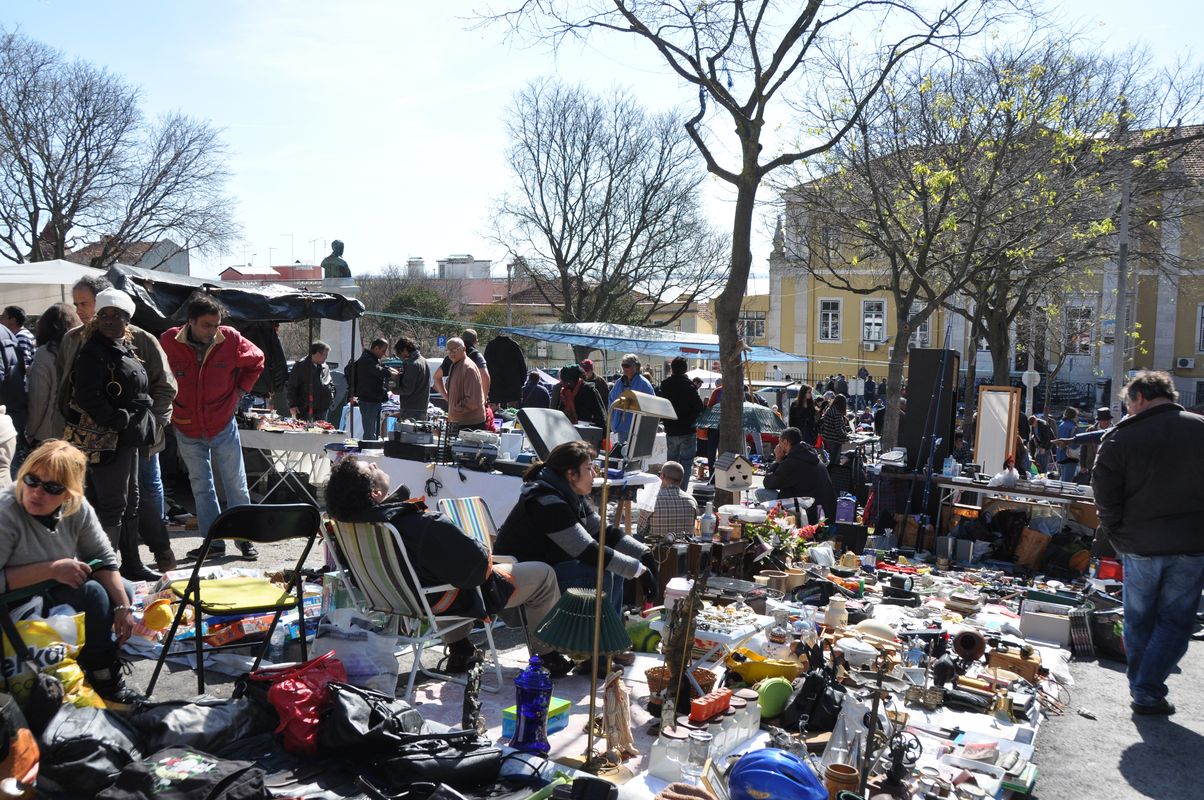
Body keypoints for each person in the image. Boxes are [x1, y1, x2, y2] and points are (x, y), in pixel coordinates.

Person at [325, 456, 574, 676]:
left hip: (393, 599)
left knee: (439, 568)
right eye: (371, 467)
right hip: (438, 600)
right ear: (375, 494)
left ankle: (460, 648)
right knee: (543, 574)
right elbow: (478, 566)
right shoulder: (415, 523)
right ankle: (547, 655)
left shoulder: (346, 527)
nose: (376, 464)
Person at [1091, 371, 1204, 716]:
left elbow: (1103, 489)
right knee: (1176, 621)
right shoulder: (1199, 428)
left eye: (1127, 403)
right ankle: (1147, 689)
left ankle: (1144, 687)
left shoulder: (1123, 437)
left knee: (1139, 619)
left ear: (1140, 397)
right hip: (1191, 543)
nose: (1128, 409)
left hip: (1139, 544)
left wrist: (1115, 531)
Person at [0, 440, 139, 701]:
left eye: (52, 487)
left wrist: (124, 608)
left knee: (124, 591)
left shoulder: (76, 508)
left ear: (69, 493)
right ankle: (105, 679)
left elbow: (104, 558)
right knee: (94, 594)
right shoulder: (6, 511)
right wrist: (50, 569)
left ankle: (89, 665)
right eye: (31, 480)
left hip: (46, 589)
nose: (37, 492)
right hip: (11, 602)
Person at [59, 277, 178, 575]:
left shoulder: (129, 344)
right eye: (104, 315)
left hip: (130, 439)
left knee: (132, 501)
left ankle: (132, 565)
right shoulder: (90, 347)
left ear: (127, 319)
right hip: (105, 440)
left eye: (116, 315)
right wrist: (118, 420)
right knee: (112, 505)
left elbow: (161, 386)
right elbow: (85, 395)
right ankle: (105, 572)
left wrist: (153, 424)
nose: (109, 320)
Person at [496, 441, 657, 619]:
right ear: (571, 474)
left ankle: (610, 635)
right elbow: (586, 550)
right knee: (600, 572)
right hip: (519, 581)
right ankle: (597, 641)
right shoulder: (546, 501)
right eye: (589, 468)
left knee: (615, 570)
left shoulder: (567, 493)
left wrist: (643, 554)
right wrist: (639, 570)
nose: (595, 475)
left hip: (547, 568)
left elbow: (604, 533)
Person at [161, 294, 264, 561]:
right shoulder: (168, 342)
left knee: (235, 483)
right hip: (186, 425)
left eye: (216, 324)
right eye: (207, 325)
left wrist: (240, 391)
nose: (213, 330)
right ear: (190, 322)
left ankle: (245, 540)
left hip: (222, 422)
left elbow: (257, 361)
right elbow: (157, 375)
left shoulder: (229, 338)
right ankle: (213, 543)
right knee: (201, 486)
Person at [754, 428, 835, 524]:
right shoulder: (809, 454)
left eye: (779, 442)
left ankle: (778, 523)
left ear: (785, 442)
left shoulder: (793, 461)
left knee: (761, 492)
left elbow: (768, 483)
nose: (777, 446)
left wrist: (778, 460)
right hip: (825, 509)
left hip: (810, 511)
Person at [26, 302, 80, 447]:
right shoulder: (80, 347)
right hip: (78, 429)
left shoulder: (45, 353)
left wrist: (30, 432)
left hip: (49, 434)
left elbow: (38, 399)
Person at [659, 357, 704, 468]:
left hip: (671, 429)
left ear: (672, 369)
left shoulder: (665, 385)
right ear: (685, 369)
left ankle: (671, 485)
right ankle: (682, 486)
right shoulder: (689, 386)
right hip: (687, 429)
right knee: (686, 464)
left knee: (671, 465)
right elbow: (699, 407)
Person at [345, 337, 394, 439]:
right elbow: (378, 371)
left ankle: (371, 447)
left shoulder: (372, 359)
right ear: (376, 348)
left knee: (374, 432)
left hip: (374, 400)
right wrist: (390, 372)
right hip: (368, 401)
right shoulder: (367, 359)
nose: (384, 354)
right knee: (370, 432)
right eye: (383, 351)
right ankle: (368, 450)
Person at [636, 461, 698, 541]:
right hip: (684, 549)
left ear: (662, 476)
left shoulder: (651, 498)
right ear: (681, 480)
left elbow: (641, 531)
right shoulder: (692, 501)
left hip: (657, 549)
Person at [608, 354, 655, 444]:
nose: (624, 368)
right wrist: (612, 421)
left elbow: (651, 406)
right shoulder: (619, 382)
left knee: (634, 457)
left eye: (627, 366)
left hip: (637, 430)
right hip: (621, 427)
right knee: (622, 455)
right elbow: (611, 400)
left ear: (636, 367)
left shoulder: (644, 384)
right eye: (622, 365)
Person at [433, 329, 490, 403]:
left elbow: (436, 377)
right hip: (472, 402)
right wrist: (484, 399)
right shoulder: (477, 356)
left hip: (454, 403)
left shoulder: (450, 356)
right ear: (475, 342)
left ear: (461, 339)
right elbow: (485, 377)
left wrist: (446, 396)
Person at [287, 340, 336, 422]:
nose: (326, 357)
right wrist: (292, 405)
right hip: (305, 410)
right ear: (317, 353)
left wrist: (331, 396)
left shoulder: (325, 366)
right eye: (325, 355)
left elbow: (330, 383)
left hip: (323, 409)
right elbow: (292, 387)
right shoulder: (300, 366)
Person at [393, 337, 431, 420]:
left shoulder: (411, 364)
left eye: (399, 353)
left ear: (405, 350)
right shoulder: (424, 361)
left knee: (408, 432)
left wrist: (393, 390)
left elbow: (407, 389)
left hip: (410, 409)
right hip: (422, 407)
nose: (399, 357)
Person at [818, 394, 852, 469]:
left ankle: (831, 474)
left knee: (833, 459)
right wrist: (846, 436)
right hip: (835, 439)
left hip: (828, 437)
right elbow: (838, 429)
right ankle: (831, 475)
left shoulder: (829, 409)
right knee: (834, 461)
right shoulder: (837, 413)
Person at [0, 306, 33, 372]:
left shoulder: (21, 337)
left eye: (3, 316)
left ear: (13, 320)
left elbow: (23, 364)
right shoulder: (24, 334)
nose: (0, 319)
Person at [1055, 407, 1080, 482]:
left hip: (1061, 456)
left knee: (1063, 480)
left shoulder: (1061, 425)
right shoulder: (1073, 427)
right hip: (1070, 457)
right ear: (1074, 416)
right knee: (1067, 482)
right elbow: (1075, 444)